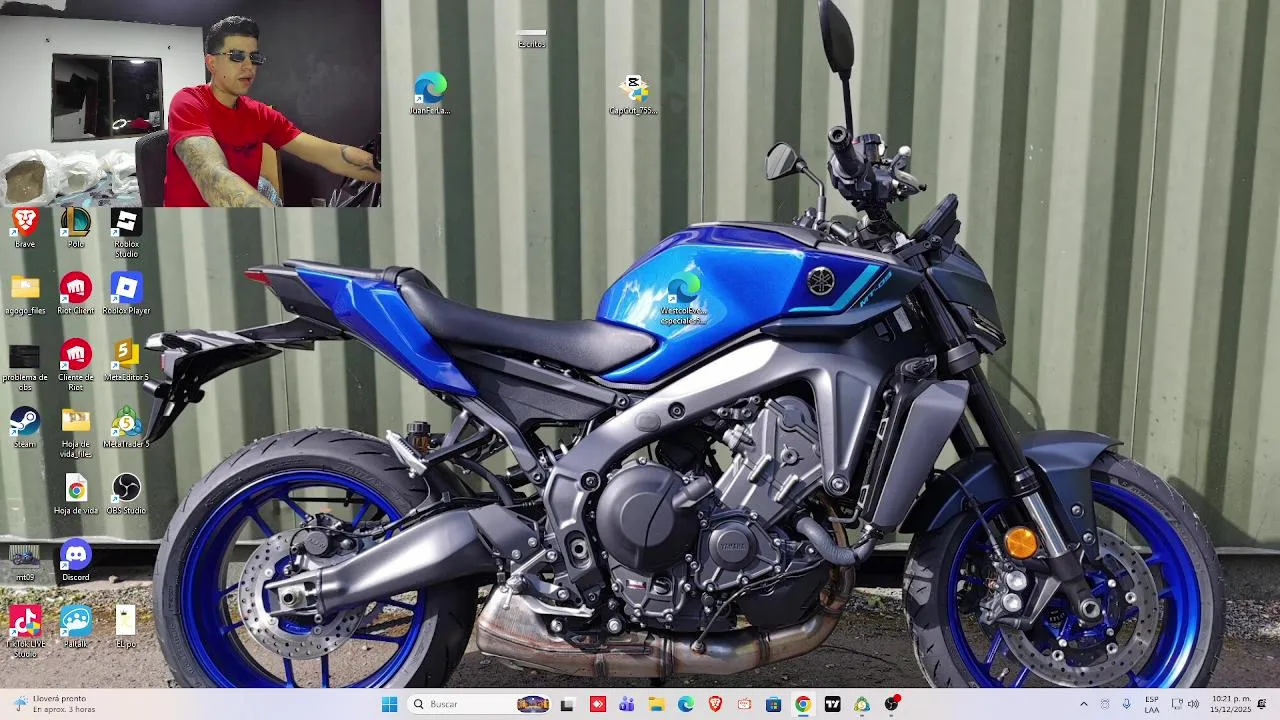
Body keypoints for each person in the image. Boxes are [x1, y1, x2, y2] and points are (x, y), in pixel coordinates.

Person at [163, 16, 381, 207]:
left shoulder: (260, 114)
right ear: (212, 63)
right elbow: (212, 177)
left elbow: (330, 154)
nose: (249, 66)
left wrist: (388, 173)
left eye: (254, 57)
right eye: (237, 56)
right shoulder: (188, 103)